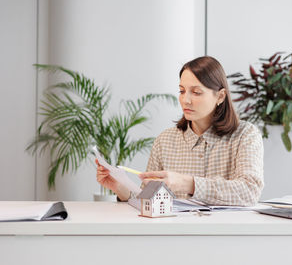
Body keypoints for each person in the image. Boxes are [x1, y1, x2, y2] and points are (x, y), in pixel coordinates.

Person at [96, 56, 264, 206]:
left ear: (220, 97)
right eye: (182, 91)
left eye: (196, 92)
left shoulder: (245, 135)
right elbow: (150, 202)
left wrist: (188, 183)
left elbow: (250, 191)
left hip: (225, 237)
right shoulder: (165, 140)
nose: (186, 100)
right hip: (174, 237)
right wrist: (121, 187)